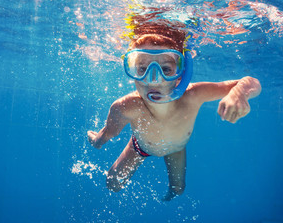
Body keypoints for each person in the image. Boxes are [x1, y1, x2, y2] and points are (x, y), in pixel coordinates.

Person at [87, 19, 261, 201]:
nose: (154, 79)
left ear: (182, 73)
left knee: (178, 189)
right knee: (112, 184)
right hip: (140, 147)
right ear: (133, 71)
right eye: (143, 68)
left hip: (176, 148)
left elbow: (251, 82)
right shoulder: (125, 107)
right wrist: (99, 141)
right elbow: (109, 132)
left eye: (165, 69)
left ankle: (170, 195)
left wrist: (240, 92)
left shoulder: (193, 94)